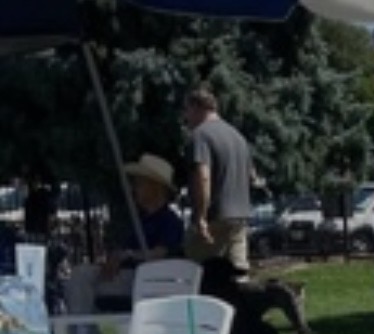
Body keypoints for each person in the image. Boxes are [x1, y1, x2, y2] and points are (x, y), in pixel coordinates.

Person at [64, 153, 185, 316]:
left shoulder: (169, 220)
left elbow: (161, 252)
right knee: (80, 275)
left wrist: (127, 256)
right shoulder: (139, 220)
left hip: (149, 281)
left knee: (82, 281)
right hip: (128, 277)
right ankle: (83, 325)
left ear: (155, 187)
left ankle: (81, 330)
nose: (134, 189)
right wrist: (114, 259)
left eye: (139, 184)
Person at [183, 84, 253, 273]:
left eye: (187, 110)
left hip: (215, 218)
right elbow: (250, 175)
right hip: (239, 217)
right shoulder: (237, 137)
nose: (186, 118)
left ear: (197, 108)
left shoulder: (200, 136)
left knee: (196, 273)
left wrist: (201, 217)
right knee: (238, 275)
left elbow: (203, 176)